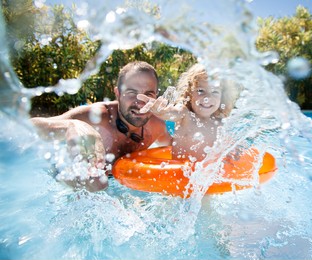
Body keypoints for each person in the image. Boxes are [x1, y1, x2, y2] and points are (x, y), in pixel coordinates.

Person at [31, 61, 172, 192]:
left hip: (117, 188)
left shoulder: (157, 125)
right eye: (131, 93)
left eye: (148, 94)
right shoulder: (97, 117)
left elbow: (178, 150)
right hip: (64, 185)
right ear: (118, 93)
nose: (141, 103)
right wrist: (72, 125)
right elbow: (32, 126)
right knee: (96, 183)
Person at [137, 63, 238, 161]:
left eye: (215, 92)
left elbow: (231, 151)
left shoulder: (221, 124)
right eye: (201, 91)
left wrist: (235, 152)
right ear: (189, 92)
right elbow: (173, 113)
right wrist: (162, 111)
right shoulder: (185, 115)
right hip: (180, 174)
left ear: (222, 97)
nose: (207, 97)